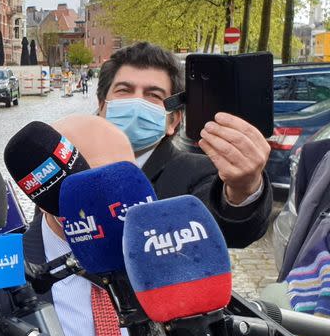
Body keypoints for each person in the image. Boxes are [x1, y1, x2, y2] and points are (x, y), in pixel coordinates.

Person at [0, 114, 144, 336]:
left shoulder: (166, 255)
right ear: (43, 192)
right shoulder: (0, 278)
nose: (116, 202)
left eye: (125, 180)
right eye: (95, 183)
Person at [96, 42, 272, 248]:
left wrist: (244, 187)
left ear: (173, 121)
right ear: (101, 106)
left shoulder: (198, 174)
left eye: (153, 95)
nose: (137, 103)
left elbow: (230, 228)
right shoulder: (69, 168)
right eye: (124, 90)